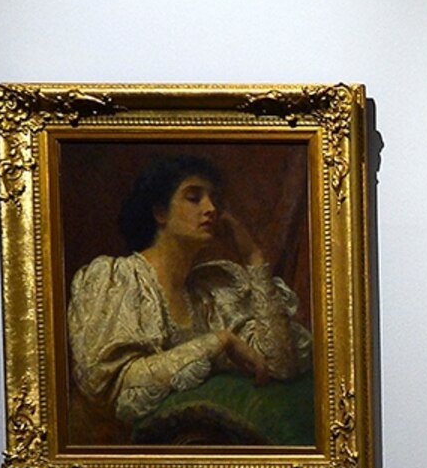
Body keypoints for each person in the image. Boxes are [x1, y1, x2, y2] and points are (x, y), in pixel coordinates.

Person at [66, 153, 311, 444]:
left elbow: (280, 364)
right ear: (160, 213)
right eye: (194, 198)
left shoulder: (211, 293)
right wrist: (217, 342)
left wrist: (254, 258)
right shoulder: (115, 280)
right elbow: (113, 391)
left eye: (214, 199)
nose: (211, 209)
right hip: (112, 455)